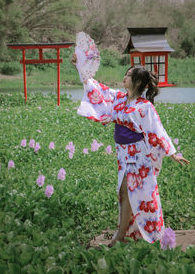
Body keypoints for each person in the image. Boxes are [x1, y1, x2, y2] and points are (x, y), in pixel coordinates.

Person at [72, 54, 189, 246]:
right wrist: (80, 67)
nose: (124, 77)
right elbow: (97, 88)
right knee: (125, 193)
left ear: (137, 82)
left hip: (138, 155)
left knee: (130, 191)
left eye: (128, 75)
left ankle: (121, 235)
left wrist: (172, 153)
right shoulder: (119, 98)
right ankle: (127, 233)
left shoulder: (145, 107)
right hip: (122, 154)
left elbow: (156, 130)